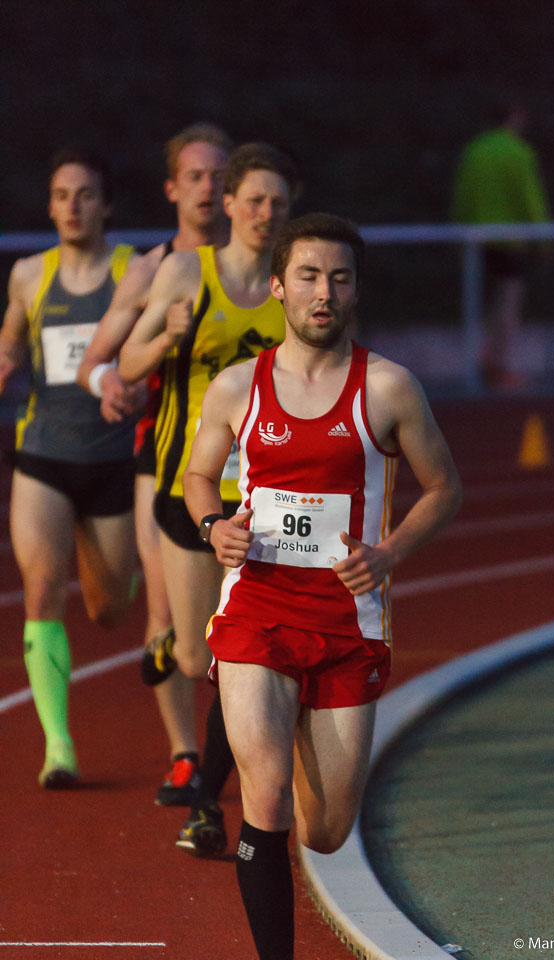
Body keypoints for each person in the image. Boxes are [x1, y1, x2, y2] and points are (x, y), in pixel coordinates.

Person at [182, 212, 462, 960]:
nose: (323, 293)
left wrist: (390, 551)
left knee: (326, 831)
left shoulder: (390, 388)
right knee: (263, 795)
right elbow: (198, 474)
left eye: (338, 278)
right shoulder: (239, 387)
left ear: (355, 290)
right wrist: (214, 526)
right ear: (278, 286)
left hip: (347, 623)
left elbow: (444, 487)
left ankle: (300, 760)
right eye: (307, 276)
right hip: (257, 610)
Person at [119, 142, 300, 854]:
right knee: (198, 661)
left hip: (263, 502)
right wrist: (166, 337)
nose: (266, 213)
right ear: (227, 203)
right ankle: (170, 640)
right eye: (254, 200)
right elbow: (128, 364)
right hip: (188, 490)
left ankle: (207, 804)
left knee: (240, 656)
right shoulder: (186, 273)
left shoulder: (294, 286)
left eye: (279, 203)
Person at [77, 123, 233, 807]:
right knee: (165, 615)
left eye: (219, 176)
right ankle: (183, 754)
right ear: (172, 189)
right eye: (195, 176)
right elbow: (97, 360)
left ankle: (243, 750)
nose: (208, 188)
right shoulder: (151, 269)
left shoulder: (259, 268)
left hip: (245, 464)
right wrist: (108, 383)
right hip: (162, 461)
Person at [0, 149, 139, 788]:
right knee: (44, 587)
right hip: (44, 456)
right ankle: (59, 745)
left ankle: (101, 559)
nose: (72, 206)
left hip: (112, 459)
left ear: (105, 204)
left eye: (85, 194)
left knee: (111, 609)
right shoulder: (29, 276)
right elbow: (10, 347)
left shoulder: (133, 271)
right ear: (50, 205)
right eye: (61, 195)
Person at [451, 103, 551, 388]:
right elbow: (530, 198)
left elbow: (463, 195)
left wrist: (460, 232)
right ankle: (496, 364)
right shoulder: (518, 152)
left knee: (489, 301)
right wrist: (543, 239)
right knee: (508, 300)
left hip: (477, 240)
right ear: (515, 117)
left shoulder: (475, 150)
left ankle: (488, 361)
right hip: (509, 239)